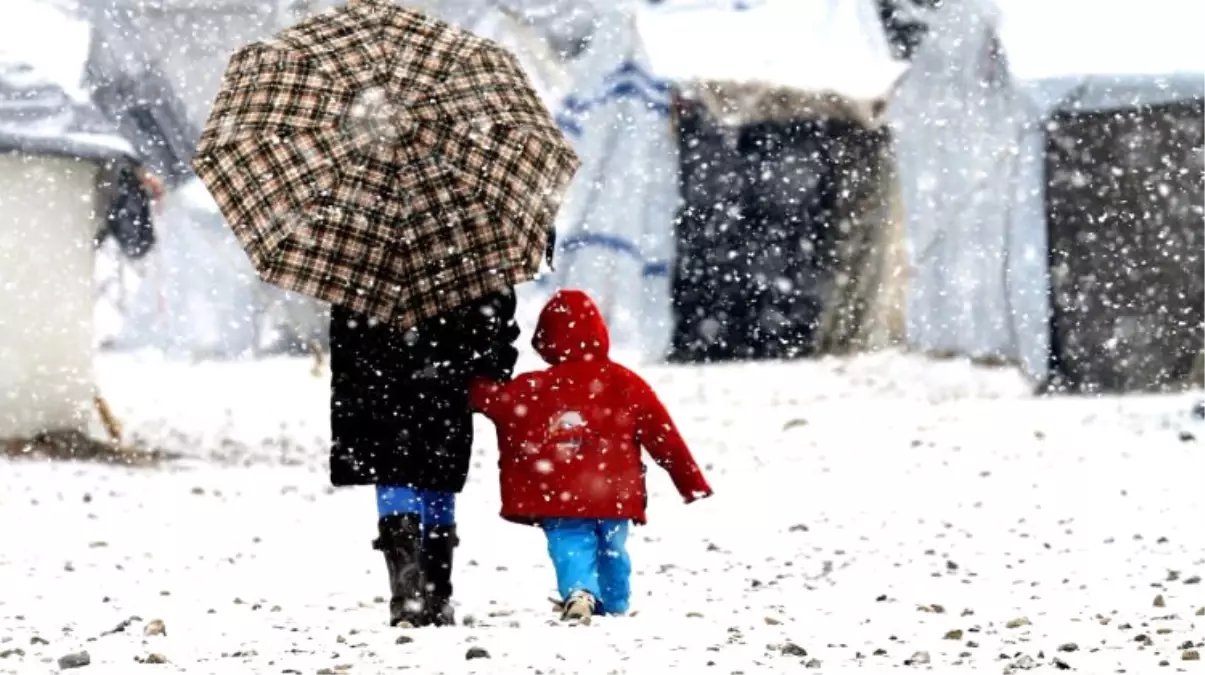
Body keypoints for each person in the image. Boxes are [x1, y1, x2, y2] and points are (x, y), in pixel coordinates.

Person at [469, 289, 714, 620]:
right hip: (616, 492)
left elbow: (494, 401)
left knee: (570, 542)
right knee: (613, 548)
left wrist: (469, 381)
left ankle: (581, 591)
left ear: (547, 339)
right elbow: (663, 436)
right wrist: (690, 482)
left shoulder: (535, 387)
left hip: (558, 493)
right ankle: (614, 603)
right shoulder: (627, 382)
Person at [329, 289, 520, 627]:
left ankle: (408, 595)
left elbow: (347, 333)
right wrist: (490, 364)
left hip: (381, 384)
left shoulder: (364, 259)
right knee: (438, 475)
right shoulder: (468, 253)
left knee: (394, 472)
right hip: (445, 383)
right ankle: (436, 594)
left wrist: (357, 376)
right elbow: (496, 321)